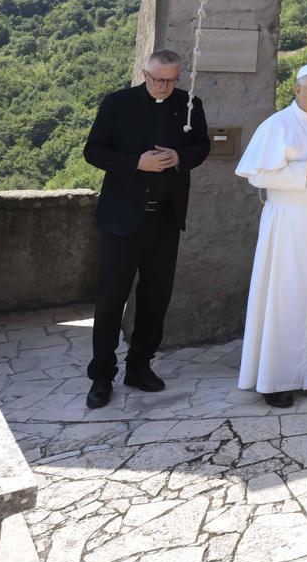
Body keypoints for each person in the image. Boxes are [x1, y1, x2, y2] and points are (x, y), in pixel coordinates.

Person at [82, 48, 211, 408]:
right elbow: (93, 151)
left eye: (171, 80)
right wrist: (136, 162)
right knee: (111, 300)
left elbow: (201, 146)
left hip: (165, 219)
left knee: (156, 297)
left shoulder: (189, 104)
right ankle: (102, 375)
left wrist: (179, 158)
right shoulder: (118, 103)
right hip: (121, 220)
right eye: (158, 79)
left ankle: (139, 365)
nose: (164, 86)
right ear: (145, 72)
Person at [234, 61, 307, 408]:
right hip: (289, 225)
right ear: (297, 89)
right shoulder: (276, 126)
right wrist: (305, 170)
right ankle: (276, 380)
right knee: (286, 297)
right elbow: (255, 172)